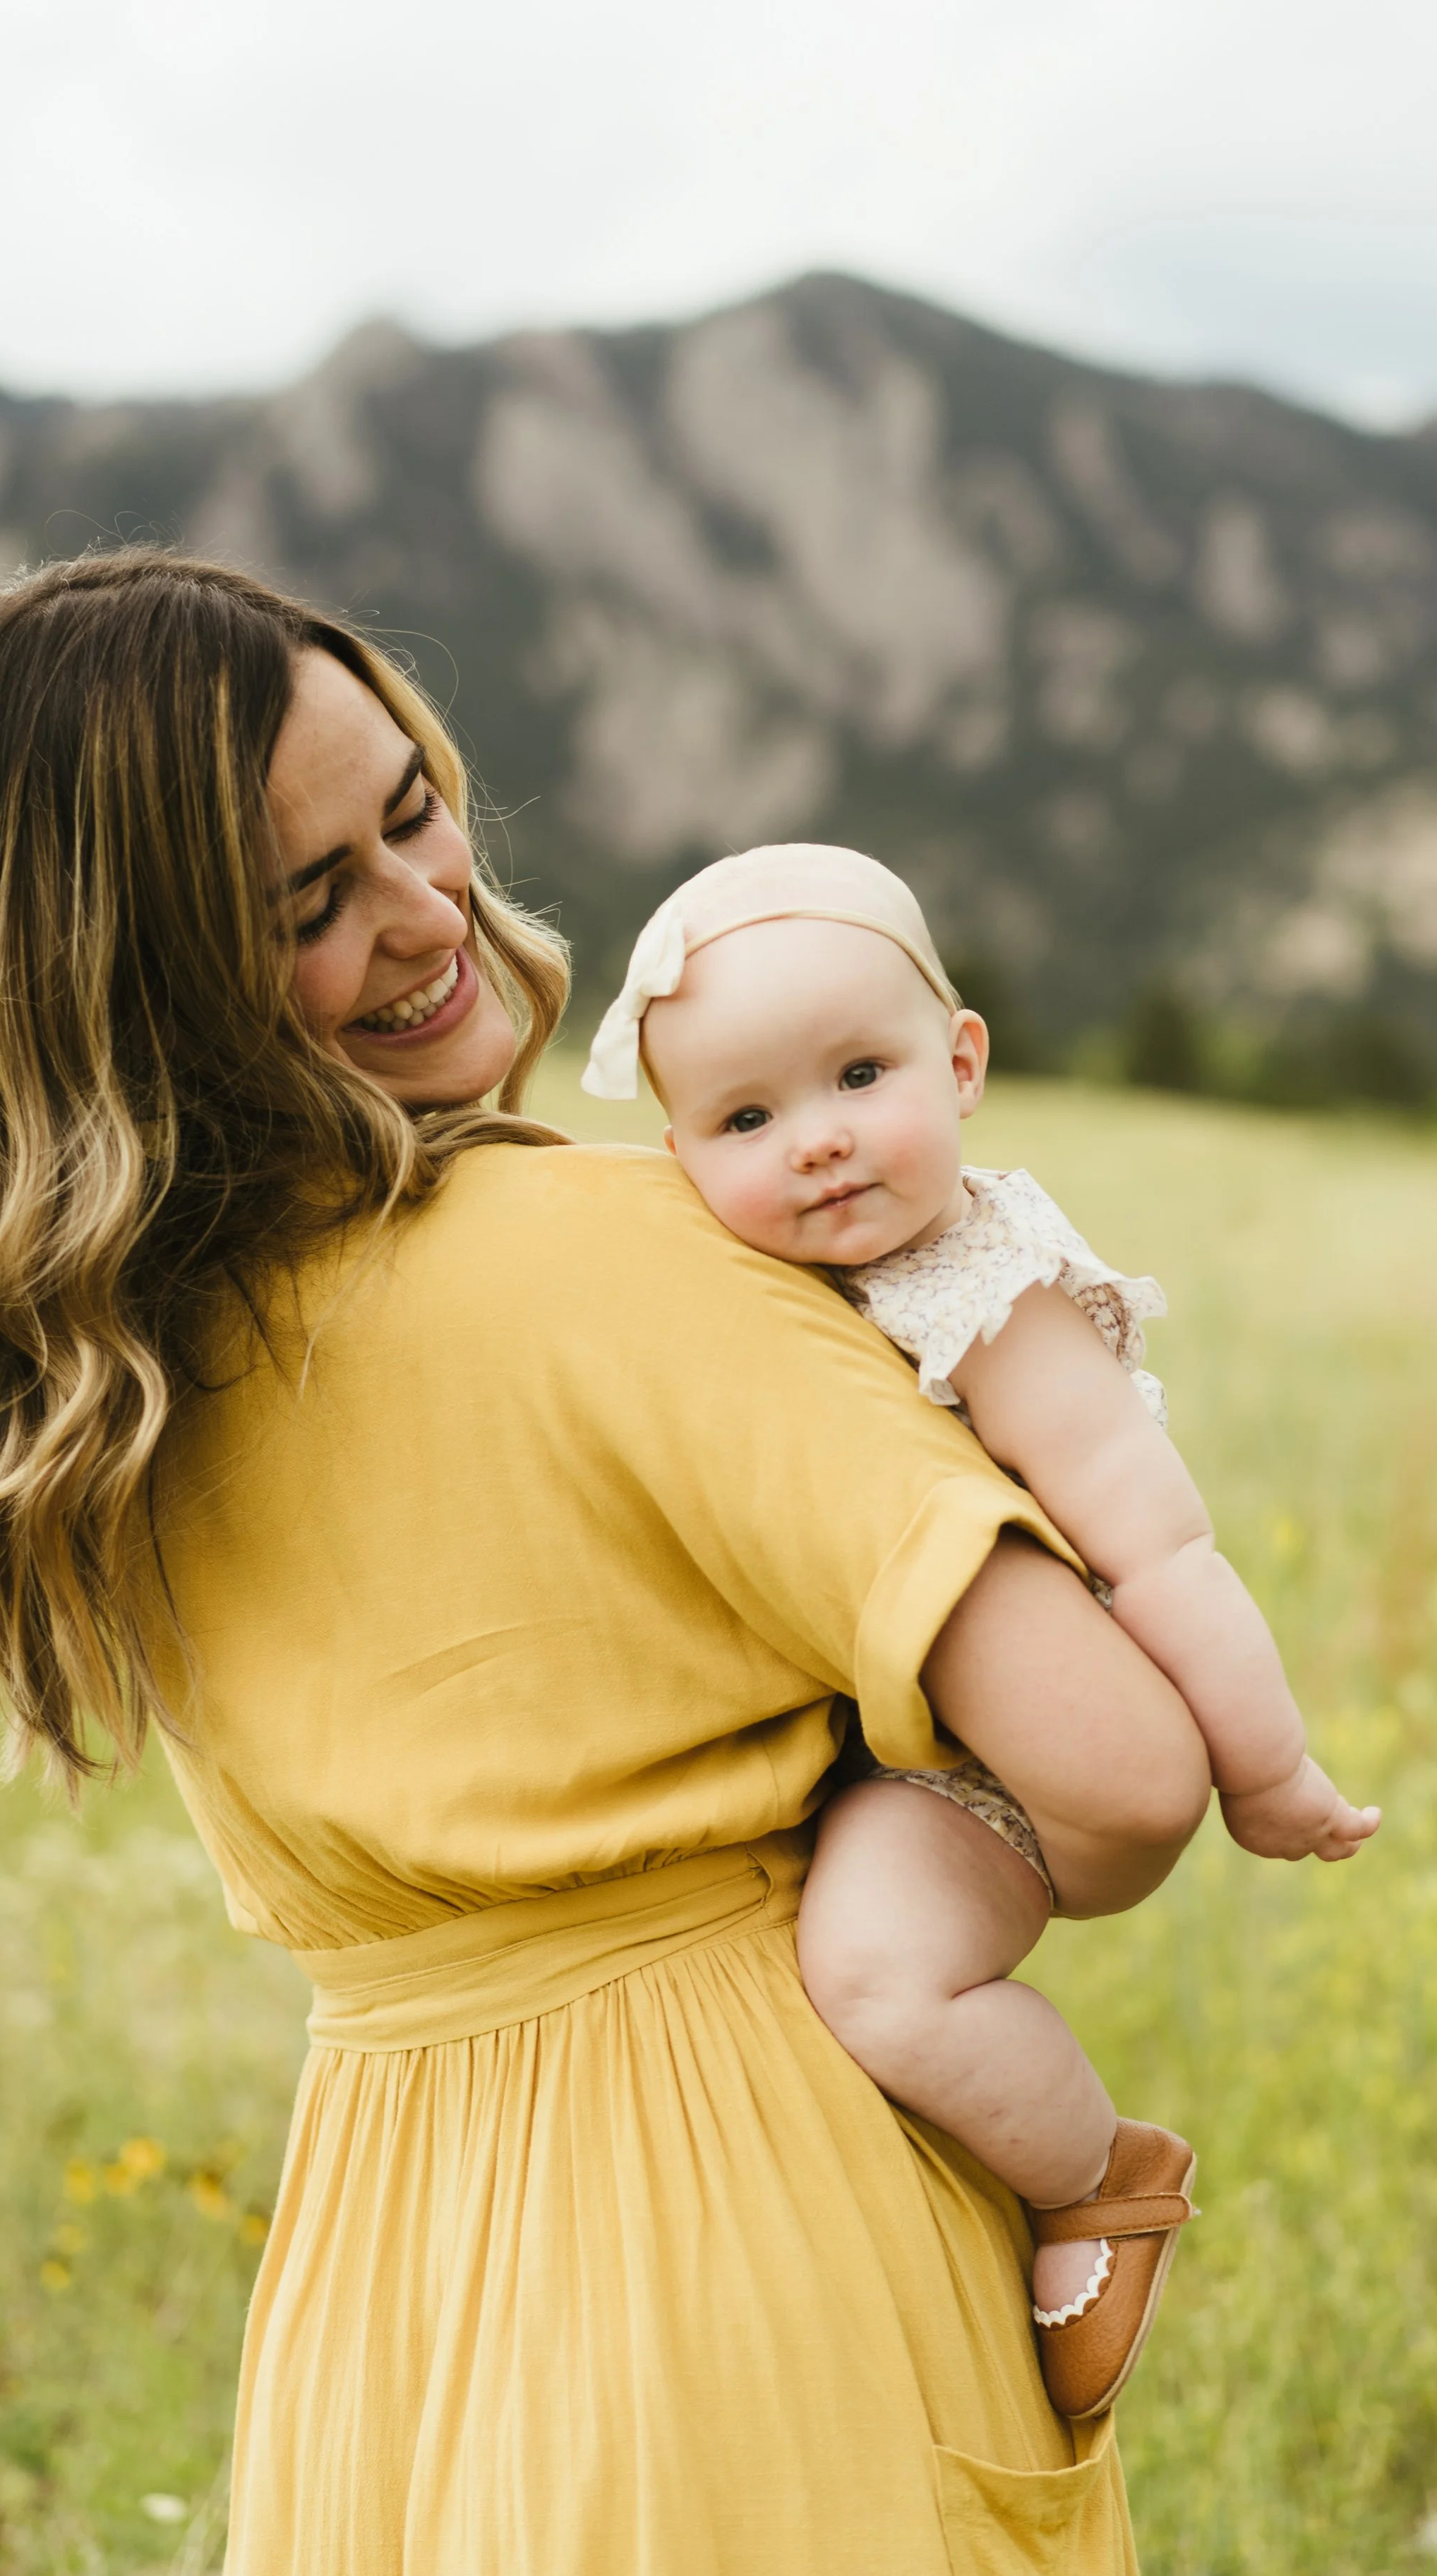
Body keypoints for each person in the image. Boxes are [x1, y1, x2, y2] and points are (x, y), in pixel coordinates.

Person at [0, 548, 1216, 2576]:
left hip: (388, 2285)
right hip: (762, 2241)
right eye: (300, 901)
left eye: (407, 810)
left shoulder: (96, 1379)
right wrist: (909, 1836)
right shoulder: (623, 1254)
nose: (419, 911)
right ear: (149, 971)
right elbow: (1120, 1770)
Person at [581, 841, 1382, 2417]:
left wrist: (1265, 1769)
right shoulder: (779, 1272)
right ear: (676, 1157)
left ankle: (1094, 2176)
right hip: (898, 1731)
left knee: (879, 1981)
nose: (813, 1145)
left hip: (1012, 1767)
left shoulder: (978, 1290)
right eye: (745, 1120)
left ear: (960, 1065)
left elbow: (1159, 1548)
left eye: (858, 1077)